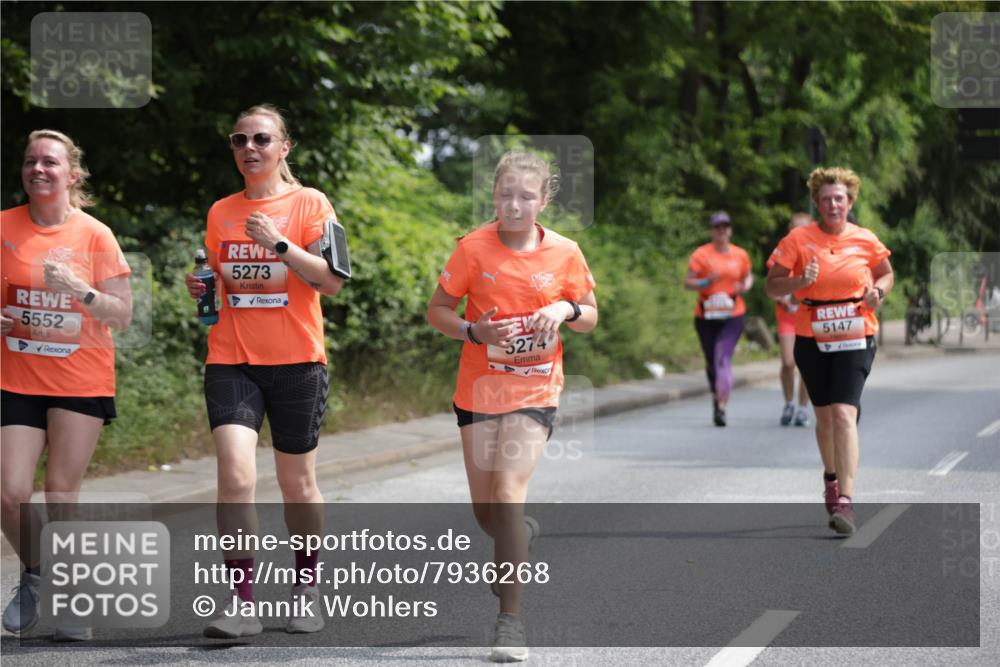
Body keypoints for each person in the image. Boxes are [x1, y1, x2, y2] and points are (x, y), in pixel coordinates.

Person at [426, 151, 597, 662]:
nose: (515, 205)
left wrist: (563, 308)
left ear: (543, 201)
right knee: (490, 514)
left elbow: (589, 315)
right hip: (478, 392)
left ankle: (510, 624)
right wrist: (472, 330)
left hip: (536, 390)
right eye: (506, 195)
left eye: (526, 196)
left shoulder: (565, 252)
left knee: (505, 493)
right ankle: (518, 536)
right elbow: (437, 310)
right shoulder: (472, 249)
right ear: (493, 196)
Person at [184, 104, 344, 637]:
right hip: (232, 358)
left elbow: (332, 281)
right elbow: (219, 283)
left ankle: (306, 587)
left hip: (298, 361)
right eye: (239, 140)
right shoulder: (219, 211)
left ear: (283, 148)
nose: (249, 148)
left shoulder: (311, 203)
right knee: (234, 476)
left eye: (261, 139)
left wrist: (277, 242)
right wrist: (203, 289)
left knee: (297, 484)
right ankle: (242, 601)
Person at [1, 129, 133, 641]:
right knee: (10, 493)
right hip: (16, 377)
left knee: (60, 491)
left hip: (80, 379)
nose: (38, 169)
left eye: (50, 162)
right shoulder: (5, 226)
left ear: (71, 175)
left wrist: (79, 290)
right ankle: (36, 575)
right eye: (30, 160)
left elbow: (122, 314)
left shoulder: (95, 235)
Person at [766, 167, 893, 535]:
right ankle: (831, 479)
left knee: (843, 413)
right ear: (817, 204)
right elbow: (772, 287)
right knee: (823, 418)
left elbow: (886, 273)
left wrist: (879, 293)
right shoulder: (798, 239)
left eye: (839, 198)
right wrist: (799, 281)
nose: (833, 204)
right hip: (812, 334)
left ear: (850, 202)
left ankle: (846, 502)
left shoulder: (865, 238)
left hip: (856, 332)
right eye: (825, 199)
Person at [684, 211, 753, 426]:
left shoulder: (740, 254)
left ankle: (722, 404)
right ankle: (717, 397)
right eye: (717, 227)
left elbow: (748, 275)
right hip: (706, 313)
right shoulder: (701, 255)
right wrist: (705, 282)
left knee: (722, 356)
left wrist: (746, 285)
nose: (721, 230)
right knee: (711, 359)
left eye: (725, 226)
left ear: (730, 230)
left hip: (733, 313)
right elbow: (688, 283)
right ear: (711, 230)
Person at [768, 213, 813, 426]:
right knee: (788, 363)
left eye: (803, 229)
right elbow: (772, 283)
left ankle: (803, 408)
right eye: (794, 229)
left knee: (806, 365)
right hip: (787, 315)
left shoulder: (816, 251)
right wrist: (782, 297)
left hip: (808, 315)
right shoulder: (782, 250)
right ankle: (789, 403)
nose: (798, 234)